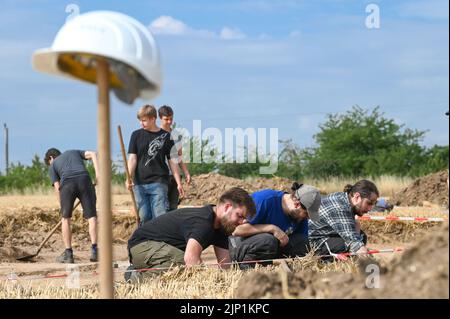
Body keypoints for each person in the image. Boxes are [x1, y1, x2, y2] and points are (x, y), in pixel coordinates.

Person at [125, 187, 256, 283]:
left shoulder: (222, 228)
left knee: (183, 271)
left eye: (244, 219)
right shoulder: (204, 221)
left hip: (160, 249)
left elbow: (226, 265)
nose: (241, 222)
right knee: (181, 266)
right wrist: (209, 282)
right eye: (239, 216)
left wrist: (230, 282)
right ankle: (134, 277)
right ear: (227, 207)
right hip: (142, 245)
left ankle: (146, 269)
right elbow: (191, 260)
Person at [228, 182, 321, 269]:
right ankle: (247, 270)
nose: (307, 218)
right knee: (268, 240)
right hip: (239, 245)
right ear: (297, 204)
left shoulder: (300, 217)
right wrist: (272, 228)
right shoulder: (264, 200)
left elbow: (302, 242)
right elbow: (236, 230)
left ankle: (277, 269)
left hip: (269, 249)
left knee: (303, 242)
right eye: (306, 214)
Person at [127, 104, 184, 225]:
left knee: (160, 215)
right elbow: (132, 159)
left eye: (144, 120)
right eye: (140, 120)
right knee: (145, 216)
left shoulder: (166, 136)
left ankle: (160, 241)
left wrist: (178, 182)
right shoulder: (136, 135)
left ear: (153, 118)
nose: (141, 123)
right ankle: (145, 242)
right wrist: (128, 177)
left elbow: (172, 161)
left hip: (159, 182)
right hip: (139, 184)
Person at [44, 148, 99, 263]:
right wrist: (98, 176)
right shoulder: (73, 152)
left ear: (51, 158)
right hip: (84, 180)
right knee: (92, 217)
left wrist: (63, 207)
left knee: (65, 219)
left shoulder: (53, 165)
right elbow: (93, 154)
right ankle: (95, 251)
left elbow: (57, 188)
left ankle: (68, 254)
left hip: (67, 184)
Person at [308, 180, 379, 260]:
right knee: (346, 245)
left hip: (327, 235)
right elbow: (353, 242)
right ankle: (326, 262)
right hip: (314, 243)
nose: (370, 208)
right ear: (357, 197)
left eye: (373, 204)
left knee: (362, 236)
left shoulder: (344, 198)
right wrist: (370, 261)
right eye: (369, 203)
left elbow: (353, 232)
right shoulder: (339, 208)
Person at [158, 105, 191, 210]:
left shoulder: (176, 135)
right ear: (160, 118)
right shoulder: (155, 135)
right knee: (162, 208)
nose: (169, 121)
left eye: (171, 119)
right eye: (166, 119)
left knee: (173, 208)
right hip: (160, 177)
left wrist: (186, 172)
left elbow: (179, 157)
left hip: (174, 177)